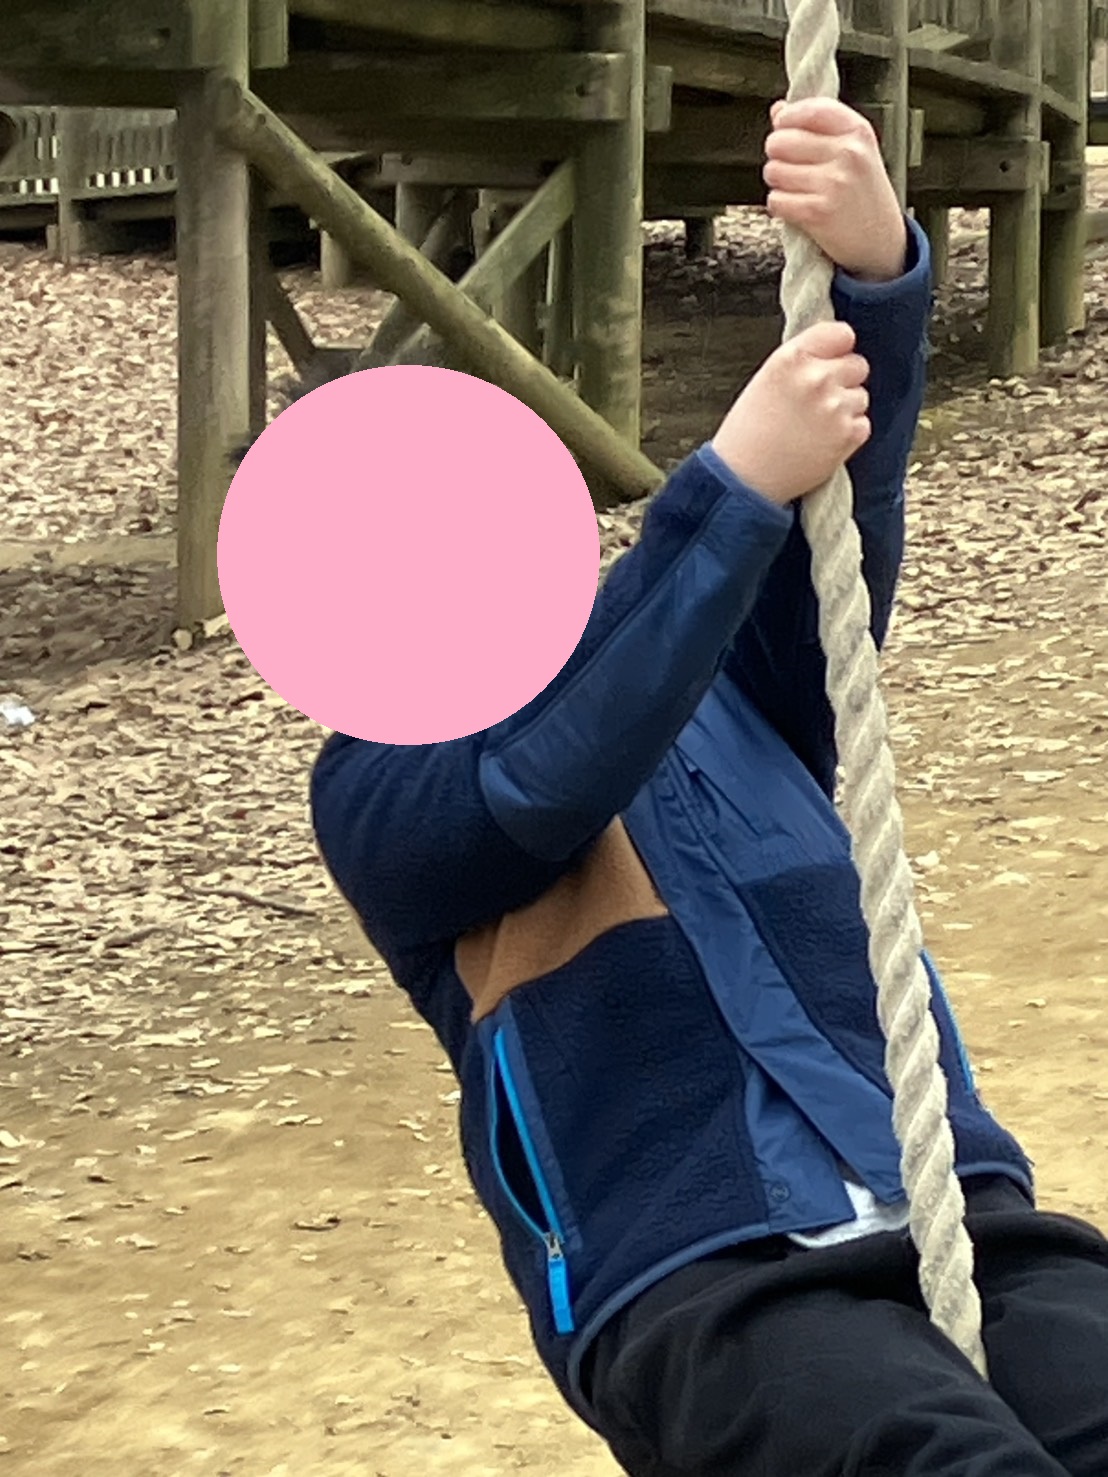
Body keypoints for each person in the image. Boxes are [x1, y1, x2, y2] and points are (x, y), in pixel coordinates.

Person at [309, 100, 1108, 1475]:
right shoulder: (378, 790)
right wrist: (727, 483)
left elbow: (824, 536)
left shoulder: (736, 687)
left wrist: (875, 282)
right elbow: (541, 780)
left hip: (954, 1203)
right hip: (698, 1278)